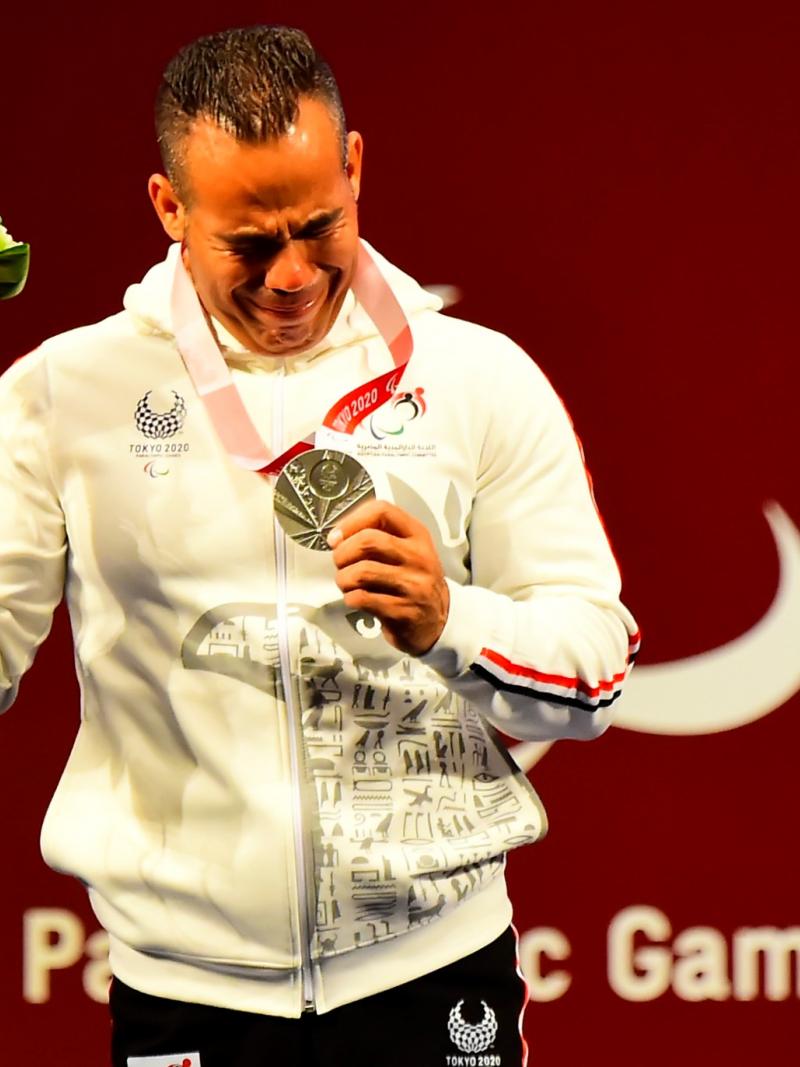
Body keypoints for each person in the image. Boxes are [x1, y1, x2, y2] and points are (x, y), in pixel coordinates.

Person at [0, 25, 639, 1067]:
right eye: (248, 244)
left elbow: (595, 668)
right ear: (169, 208)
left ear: (355, 168)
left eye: (318, 227)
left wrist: (451, 620)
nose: (292, 275)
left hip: (434, 973)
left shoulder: (477, 376)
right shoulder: (62, 395)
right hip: (181, 989)